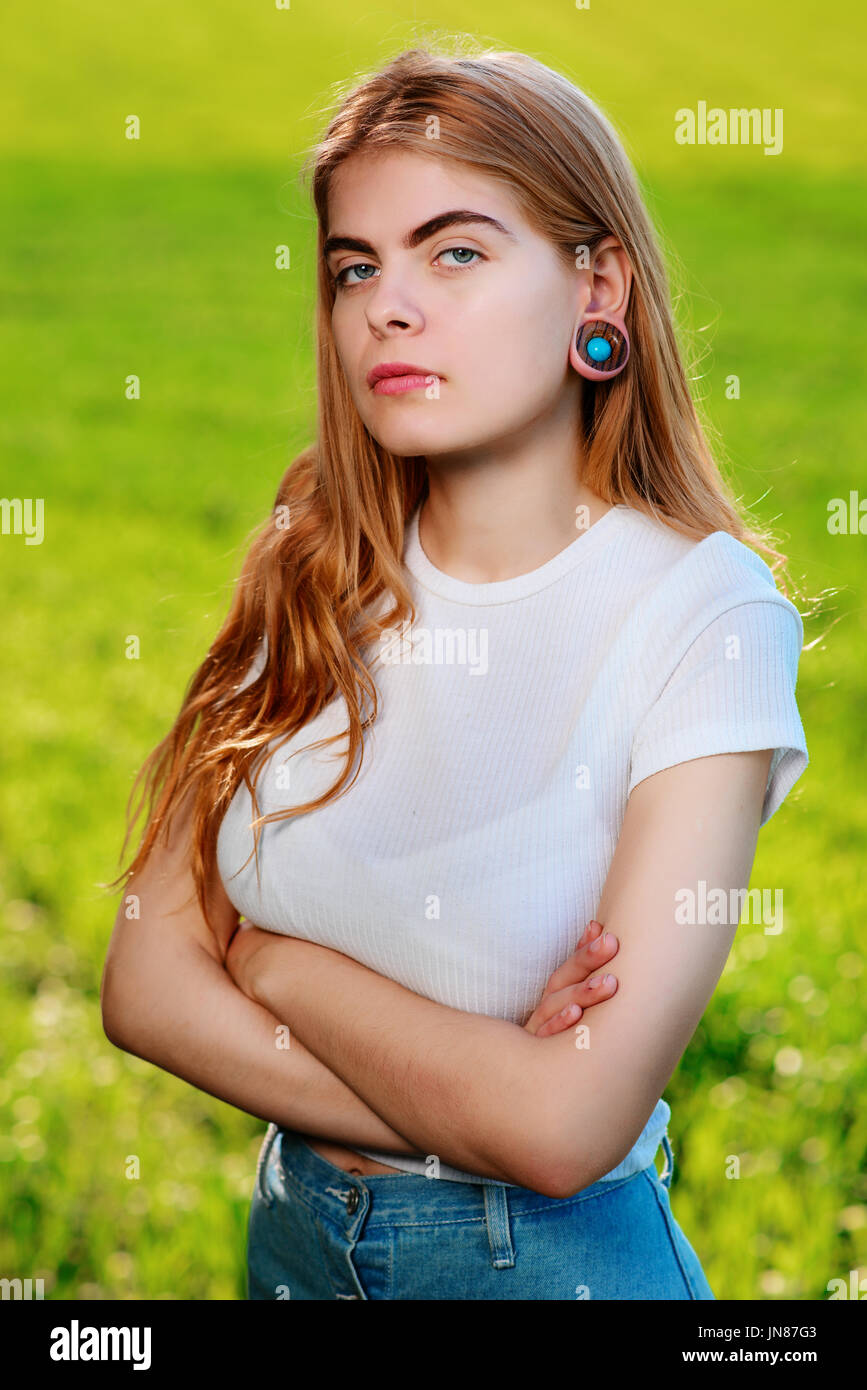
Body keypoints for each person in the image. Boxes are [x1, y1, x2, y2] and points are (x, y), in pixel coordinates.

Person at [101, 42, 809, 1300]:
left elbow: (562, 1132)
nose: (388, 304)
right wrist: (474, 1086)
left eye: (458, 252)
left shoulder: (703, 612)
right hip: (294, 1242)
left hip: (547, 1270)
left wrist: (272, 961)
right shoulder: (318, 543)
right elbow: (147, 986)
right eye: (355, 265)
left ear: (599, 288)